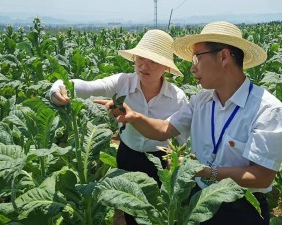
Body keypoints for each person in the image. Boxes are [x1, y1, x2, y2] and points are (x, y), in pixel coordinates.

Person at [96, 21, 282, 225]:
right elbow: (165, 129)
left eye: (197, 58)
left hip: (241, 210)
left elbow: (262, 176)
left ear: (224, 56)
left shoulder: (268, 110)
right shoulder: (201, 100)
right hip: (200, 203)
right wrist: (133, 117)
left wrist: (204, 171)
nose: (192, 68)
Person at [49, 29, 188, 225]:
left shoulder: (177, 97)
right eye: (140, 58)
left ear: (166, 66)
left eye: (153, 61)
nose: (144, 65)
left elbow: (180, 137)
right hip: (128, 155)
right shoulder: (123, 82)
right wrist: (58, 88)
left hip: (159, 163)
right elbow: (88, 87)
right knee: (127, 210)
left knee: (155, 216)